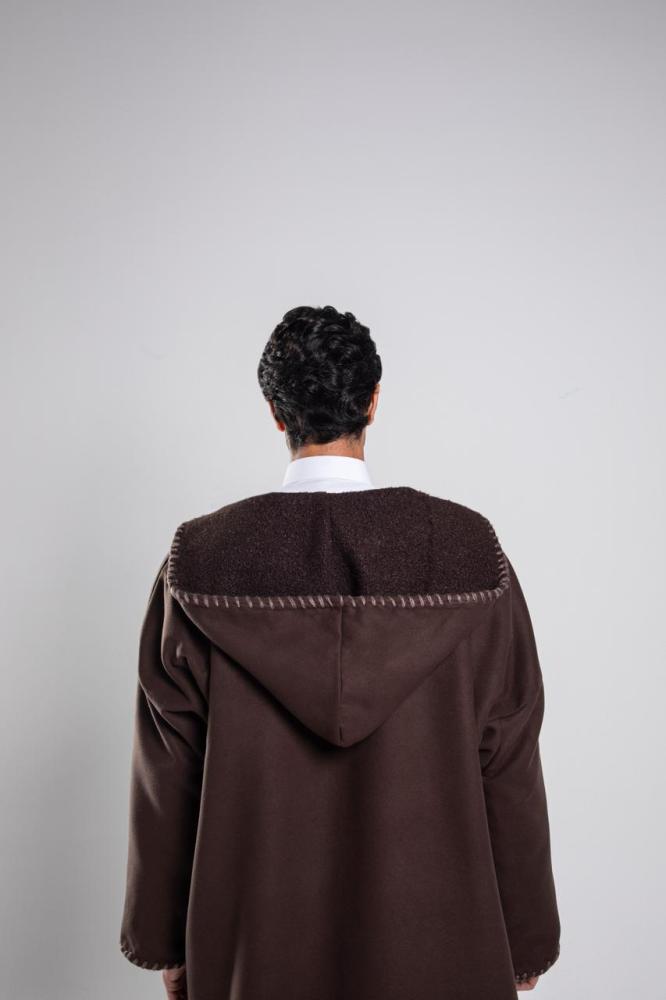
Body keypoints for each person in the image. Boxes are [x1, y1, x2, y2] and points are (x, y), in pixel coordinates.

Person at [119, 304, 561, 999]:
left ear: (276, 412)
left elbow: (169, 770)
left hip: (256, 953)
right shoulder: (470, 552)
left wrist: (164, 943)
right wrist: (527, 937)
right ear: (373, 402)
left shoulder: (199, 561)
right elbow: (508, 759)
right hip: (441, 952)